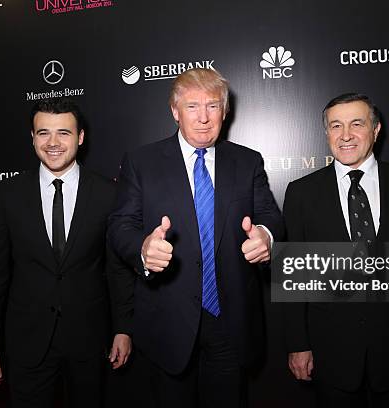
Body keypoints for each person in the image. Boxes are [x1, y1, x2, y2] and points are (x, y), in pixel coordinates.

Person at [108, 68, 283, 407]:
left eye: (213, 106)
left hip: (231, 323)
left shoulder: (247, 161)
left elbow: (269, 216)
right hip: (167, 323)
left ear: (225, 111)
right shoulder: (141, 162)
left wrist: (266, 236)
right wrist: (142, 249)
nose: (203, 117)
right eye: (192, 106)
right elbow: (120, 226)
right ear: (175, 111)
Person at [283, 93, 389, 407]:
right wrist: (298, 344)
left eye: (356, 124)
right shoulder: (301, 194)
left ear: (375, 131)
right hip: (331, 355)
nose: (345, 135)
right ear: (327, 134)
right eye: (336, 126)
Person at [0, 97, 134, 407]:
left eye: (63, 132)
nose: (53, 143)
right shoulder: (8, 195)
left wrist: (123, 328)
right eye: (43, 132)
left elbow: (117, 269)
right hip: (27, 342)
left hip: (89, 340)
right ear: (32, 138)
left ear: (80, 137)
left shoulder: (107, 193)